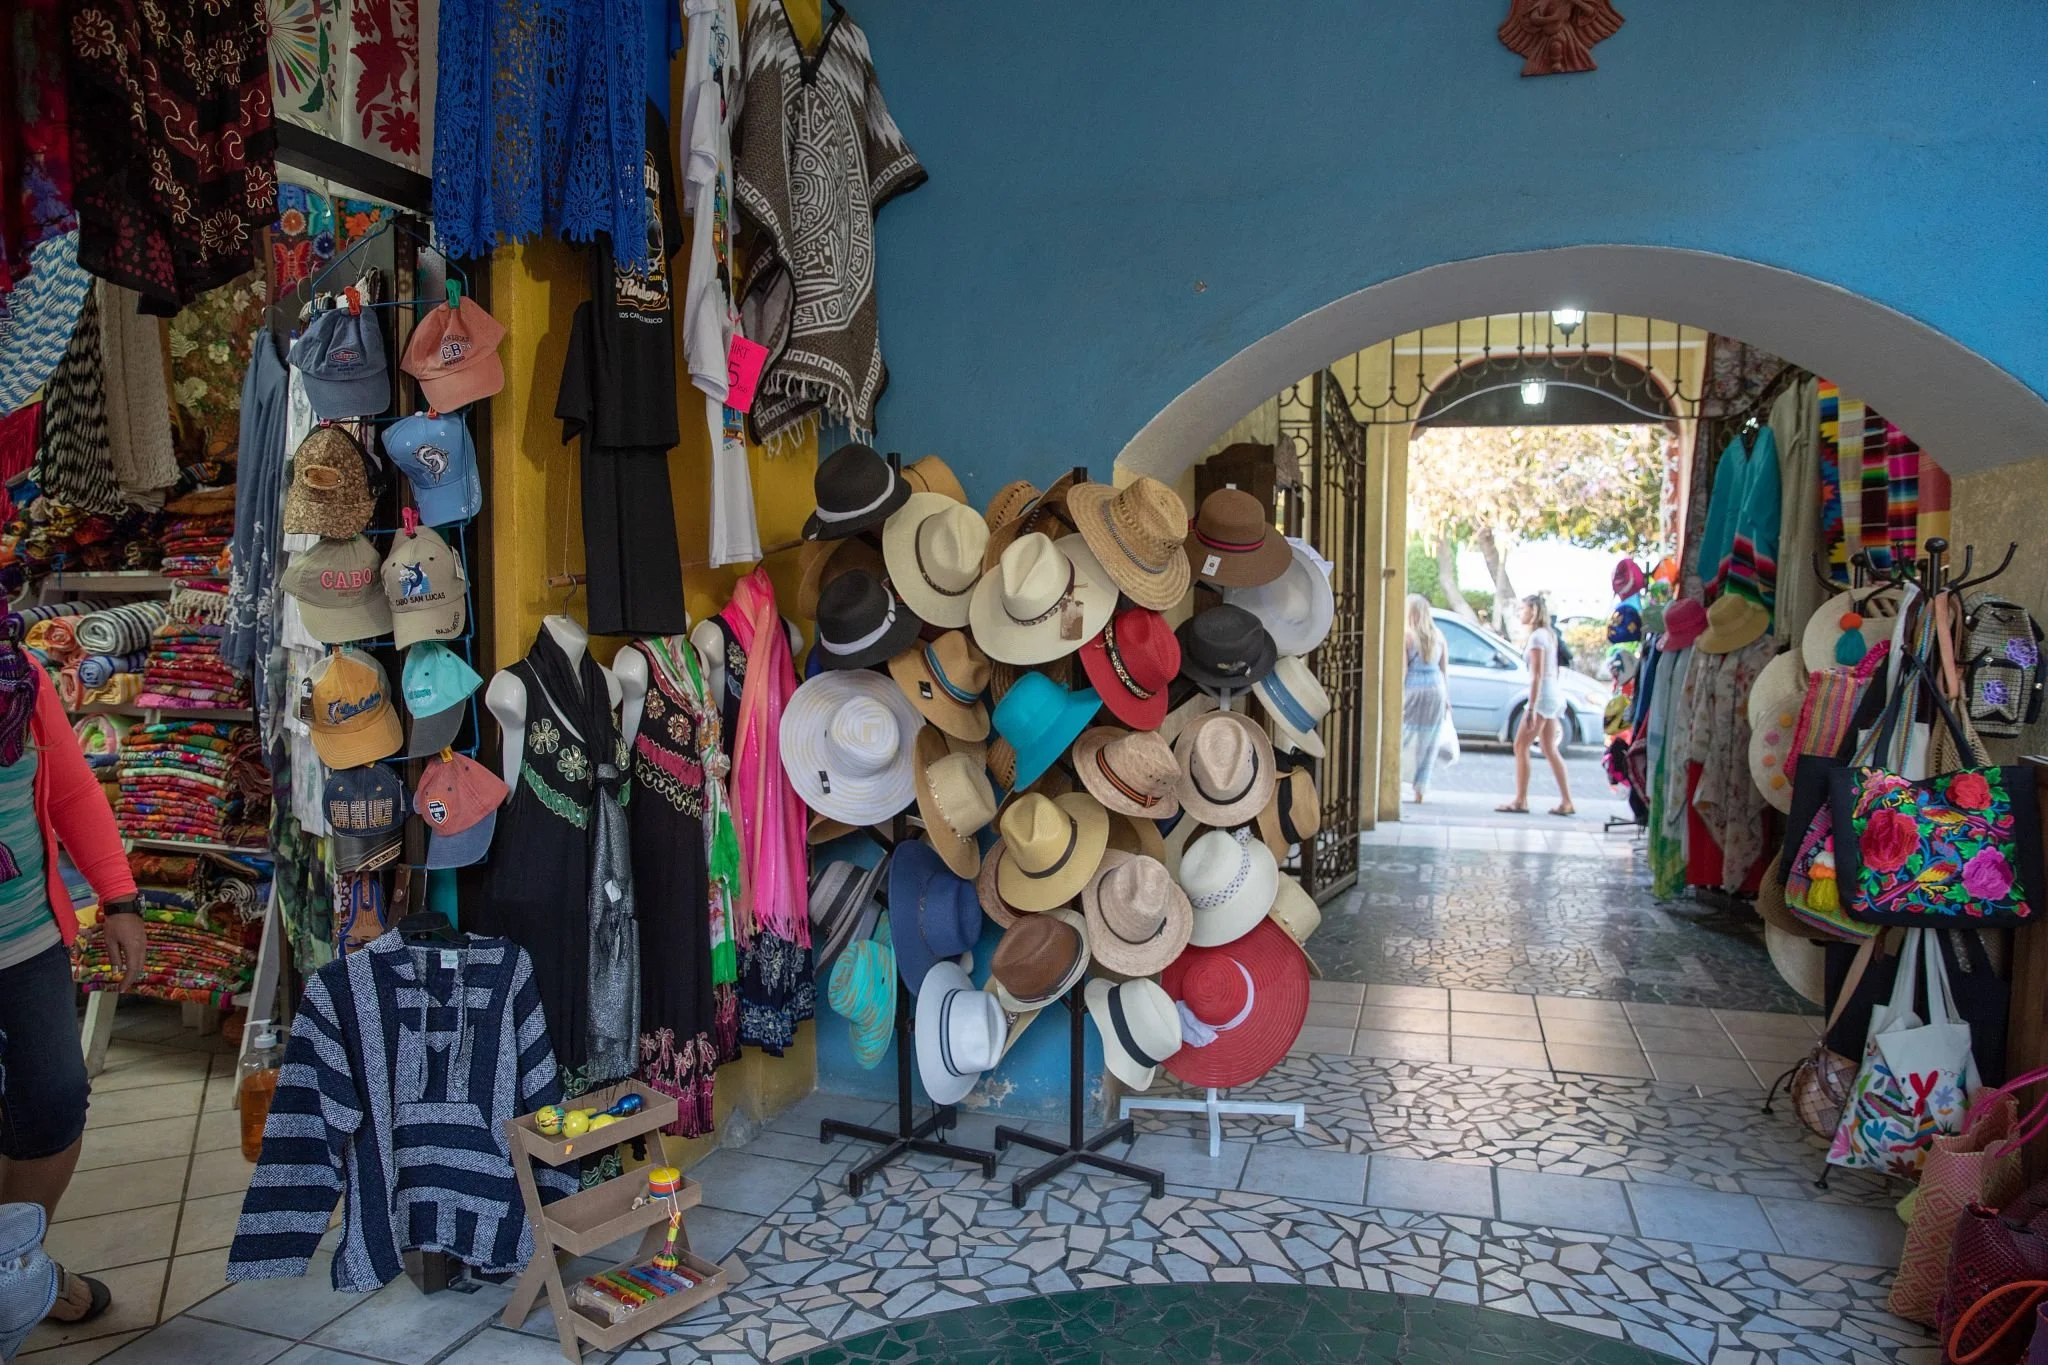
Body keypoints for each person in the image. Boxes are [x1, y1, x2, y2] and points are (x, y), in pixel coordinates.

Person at [0, 648, 145, 1327]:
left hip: (26, 938)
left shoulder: (19, 673)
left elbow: (70, 791)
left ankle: (16, 1269)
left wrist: (120, 898)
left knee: (52, 1104)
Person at [1498, 592, 1576, 817]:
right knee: (1549, 748)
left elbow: (1536, 675)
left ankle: (1520, 799)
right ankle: (1566, 801)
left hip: (1542, 697)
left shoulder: (1537, 638)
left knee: (1520, 746)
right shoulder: (1548, 635)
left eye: (1523, 609)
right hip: (1552, 693)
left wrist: (1531, 708)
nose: (1520, 613)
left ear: (1533, 612)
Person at [1400, 594, 1450, 803]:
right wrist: (1447, 700)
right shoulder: (1439, 636)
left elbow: (1403, 670)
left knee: (1405, 737)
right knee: (1429, 741)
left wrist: (1399, 695)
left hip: (1414, 689)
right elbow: (1444, 670)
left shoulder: (1407, 636)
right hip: (1436, 689)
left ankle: (1397, 781)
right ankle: (1420, 789)